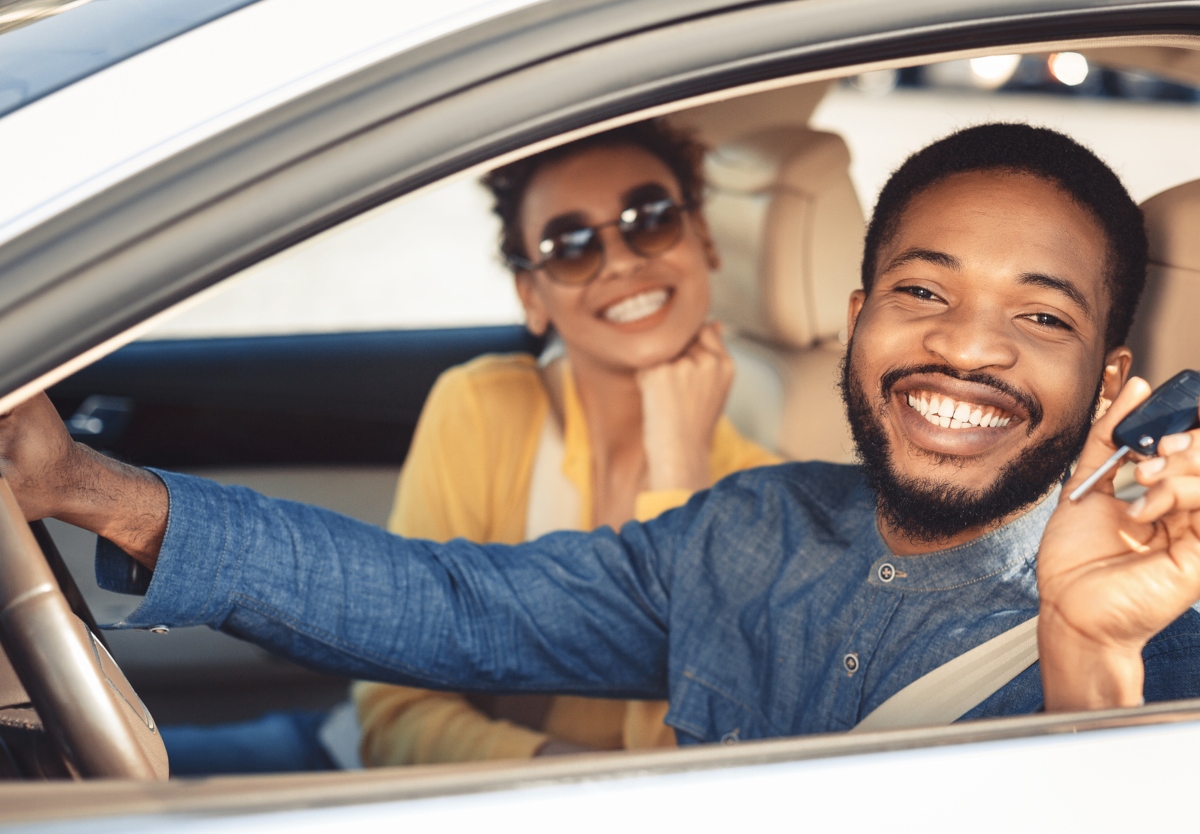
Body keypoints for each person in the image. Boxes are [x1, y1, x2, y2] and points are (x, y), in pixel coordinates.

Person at [5, 123, 1200, 739]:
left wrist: (1088, 663)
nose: (966, 347)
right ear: (857, 323)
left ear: (1108, 387)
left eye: (1040, 316)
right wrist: (88, 486)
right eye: (923, 293)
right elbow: (451, 606)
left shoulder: (1162, 639)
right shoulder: (745, 531)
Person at [355, 121, 779, 765]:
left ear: (705, 241)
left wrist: (680, 476)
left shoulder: (768, 498)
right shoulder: (480, 407)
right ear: (532, 296)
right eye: (572, 245)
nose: (621, 261)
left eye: (652, 218)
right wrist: (561, 776)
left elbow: (694, 763)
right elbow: (394, 714)